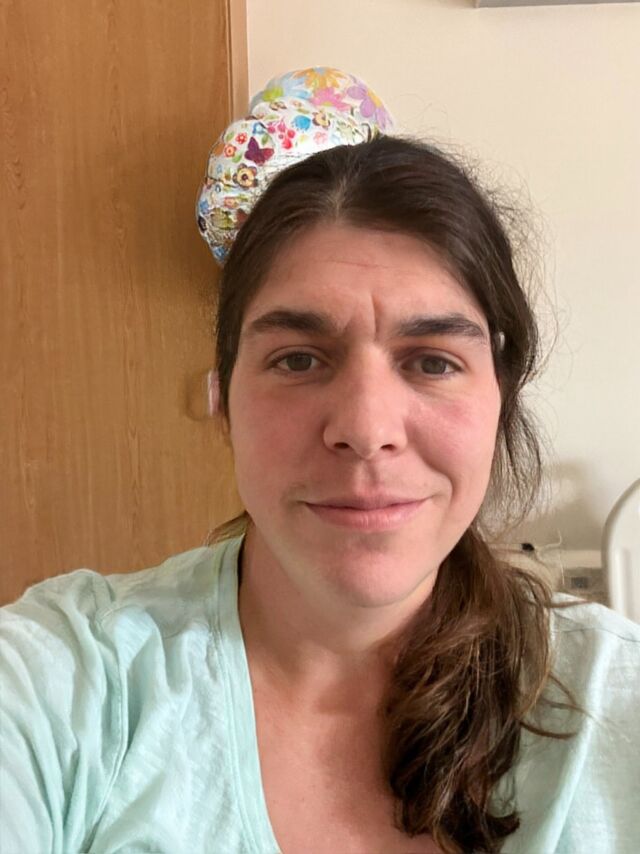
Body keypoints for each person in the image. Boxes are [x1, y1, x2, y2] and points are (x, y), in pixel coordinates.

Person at [1, 68, 638, 854]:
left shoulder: (616, 706)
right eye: (299, 359)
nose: (366, 430)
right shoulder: (65, 680)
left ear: (501, 396)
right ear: (223, 399)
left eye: (432, 361)